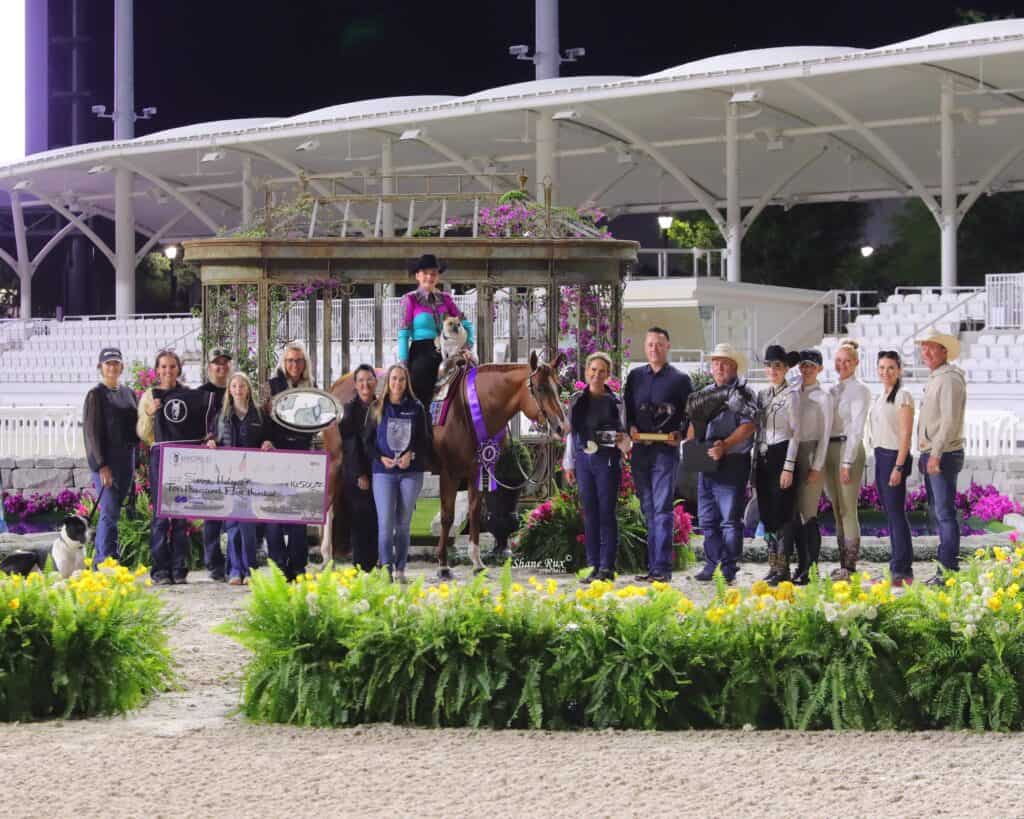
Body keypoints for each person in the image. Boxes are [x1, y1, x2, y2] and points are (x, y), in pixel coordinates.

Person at [137, 349, 215, 585]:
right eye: (163, 366)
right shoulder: (150, 395)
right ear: (157, 370)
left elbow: (202, 426)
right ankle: (160, 570)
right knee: (161, 515)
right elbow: (143, 433)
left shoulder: (190, 396)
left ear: (179, 369)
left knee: (180, 514)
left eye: (172, 366)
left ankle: (179, 568)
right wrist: (150, 414)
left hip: (184, 458)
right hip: (161, 456)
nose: (168, 371)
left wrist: (208, 437)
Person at [624, 326, 692, 583]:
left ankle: (662, 569)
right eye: (650, 344)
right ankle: (653, 567)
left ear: (668, 346)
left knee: (663, 510)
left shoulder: (680, 380)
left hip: (666, 452)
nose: (655, 348)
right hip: (641, 451)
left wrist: (681, 433)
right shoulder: (634, 377)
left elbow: (689, 415)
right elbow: (628, 411)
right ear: (645, 347)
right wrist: (629, 428)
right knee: (649, 509)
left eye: (659, 344)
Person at [690, 343, 757, 583]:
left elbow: (749, 426)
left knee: (729, 520)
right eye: (715, 362)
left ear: (735, 366)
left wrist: (725, 446)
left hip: (732, 460)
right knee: (707, 519)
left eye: (724, 362)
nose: (719, 366)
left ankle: (728, 568)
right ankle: (712, 564)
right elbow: (694, 424)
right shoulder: (706, 392)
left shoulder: (744, 393)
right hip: (705, 458)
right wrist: (688, 445)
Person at [563, 352, 629, 583]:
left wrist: (621, 441)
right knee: (589, 514)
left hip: (607, 461)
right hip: (583, 460)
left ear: (608, 375)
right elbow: (572, 435)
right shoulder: (576, 400)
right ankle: (592, 566)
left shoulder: (617, 402)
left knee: (606, 514)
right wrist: (568, 463)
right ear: (586, 372)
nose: (596, 374)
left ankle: (607, 567)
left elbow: (625, 438)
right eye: (593, 370)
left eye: (601, 371)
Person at [363, 364, 430, 582]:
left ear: (406, 382)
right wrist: (379, 457)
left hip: (410, 473)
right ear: (388, 381)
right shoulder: (376, 407)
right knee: (385, 524)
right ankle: (386, 569)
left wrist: (411, 454)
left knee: (403, 524)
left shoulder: (417, 407)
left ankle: (400, 569)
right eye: (393, 379)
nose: (397, 383)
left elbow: (425, 440)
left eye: (401, 379)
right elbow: (367, 442)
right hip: (383, 472)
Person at [206, 372, 273, 585]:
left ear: (248, 390)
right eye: (234, 385)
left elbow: (268, 439)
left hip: (252, 477)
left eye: (242, 386)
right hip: (228, 476)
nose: (238, 389)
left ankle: (250, 570)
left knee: (248, 524)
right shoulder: (221, 416)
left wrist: (267, 444)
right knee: (232, 523)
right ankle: (235, 570)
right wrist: (211, 443)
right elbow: (212, 438)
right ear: (229, 390)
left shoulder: (259, 415)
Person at [915, 329, 967, 585]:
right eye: (923, 347)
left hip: (943, 454)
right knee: (939, 512)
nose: (925, 352)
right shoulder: (937, 377)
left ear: (944, 351)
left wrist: (934, 455)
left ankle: (948, 571)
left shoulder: (948, 379)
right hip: (934, 453)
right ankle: (945, 568)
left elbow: (948, 421)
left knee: (945, 514)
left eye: (931, 347)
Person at [264, 341, 316, 582]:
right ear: (283, 364)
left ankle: (298, 566)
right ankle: (278, 566)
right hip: (276, 455)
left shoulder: (312, 387)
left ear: (304, 364)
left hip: (301, 456)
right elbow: (263, 419)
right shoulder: (271, 386)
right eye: (290, 360)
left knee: (298, 515)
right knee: (274, 514)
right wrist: (266, 440)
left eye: (298, 360)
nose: (294, 365)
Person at [82, 347, 139, 563]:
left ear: (122, 367)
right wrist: (101, 465)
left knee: (116, 513)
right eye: (108, 363)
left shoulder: (129, 393)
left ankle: (112, 557)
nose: (112, 367)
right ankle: (102, 559)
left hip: (127, 459)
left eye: (116, 363)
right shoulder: (95, 395)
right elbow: (91, 434)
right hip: (107, 461)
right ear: (100, 367)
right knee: (108, 511)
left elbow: (136, 427)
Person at [397, 254, 474, 413]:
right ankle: (422, 419)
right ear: (418, 275)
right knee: (420, 379)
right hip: (422, 350)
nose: (429, 277)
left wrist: (467, 346)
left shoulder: (446, 299)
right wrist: (404, 363)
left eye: (433, 273)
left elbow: (466, 324)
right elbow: (403, 333)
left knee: (472, 372)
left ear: (438, 276)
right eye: (425, 273)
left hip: (450, 348)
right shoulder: (409, 300)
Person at [866, 351, 915, 587]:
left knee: (896, 515)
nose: (886, 372)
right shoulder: (880, 396)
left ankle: (902, 569)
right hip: (880, 455)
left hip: (894, 457)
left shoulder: (902, 396)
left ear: (899, 370)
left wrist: (898, 466)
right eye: (882, 367)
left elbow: (906, 435)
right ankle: (896, 564)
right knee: (891, 514)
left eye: (891, 368)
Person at [754, 345, 801, 585]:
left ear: (785, 369)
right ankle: (772, 563)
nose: (773, 370)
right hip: (763, 455)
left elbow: (796, 432)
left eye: (778, 366)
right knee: (767, 510)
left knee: (783, 512)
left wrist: (789, 466)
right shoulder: (762, 394)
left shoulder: (791, 394)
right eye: (769, 365)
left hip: (783, 452)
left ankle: (783, 566)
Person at [825, 339, 872, 580]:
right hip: (830, 449)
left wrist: (847, 462)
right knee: (836, 509)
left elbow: (856, 428)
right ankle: (842, 562)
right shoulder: (832, 390)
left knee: (848, 509)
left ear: (856, 363)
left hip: (847, 449)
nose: (842, 365)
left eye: (846, 361)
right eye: (838, 361)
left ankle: (851, 565)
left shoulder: (860, 391)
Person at [792, 349, 833, 585]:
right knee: (795, 514)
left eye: (811, 366)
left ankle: (811, 567)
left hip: (811, 452)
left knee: (808, 513)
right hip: (793, 453)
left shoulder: (823, 397)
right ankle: (800, 562)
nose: (806, 369)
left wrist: (817, 465)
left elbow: (825, 434)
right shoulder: (795, 392)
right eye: (803, 365)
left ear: (819, 369)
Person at [339, 364, 379, 572]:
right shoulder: (348, 410)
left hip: (380, 472)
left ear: (375, 382)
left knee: (376, 520)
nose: (365, 384)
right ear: (356, 385)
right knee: (360, 521)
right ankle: (360, 567)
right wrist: (360, 474)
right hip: (357, 474)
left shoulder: (382, 406)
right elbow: (350, 445)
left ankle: (374, 565)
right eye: (361, 381)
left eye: (369, 380)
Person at [197, 348, 232, 581]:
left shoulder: (237, 390)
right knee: (211, 514)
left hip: (233, 459)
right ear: (209, 367)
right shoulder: (199, 394)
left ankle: (235, 560)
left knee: (234, 512)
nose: (220, 367)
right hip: (209, 459)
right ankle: (212, 563)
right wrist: (205, 439)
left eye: (224, 363)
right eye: (216, 364)